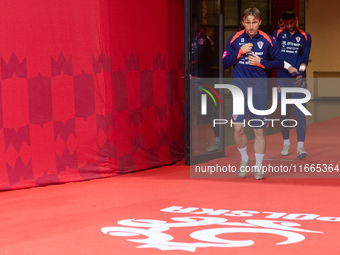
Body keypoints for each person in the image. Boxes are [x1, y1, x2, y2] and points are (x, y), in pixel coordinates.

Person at [222, 8, 297, 180]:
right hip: (239, 91)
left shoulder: (268, 40)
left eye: (254, 22)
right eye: (247, 22)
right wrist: (239, 52)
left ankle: (258, 167)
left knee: (259, 131)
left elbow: (279, 61)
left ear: (260, 22)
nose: (251, 26)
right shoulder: (234, 39)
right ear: (242, 22)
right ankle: (244, 159)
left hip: (259, 92)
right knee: (239, 129)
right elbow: (225, 62)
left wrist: (261, 62)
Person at [273, 9, 312, 159]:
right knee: (284, 113)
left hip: (299, 79)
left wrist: (300, 71)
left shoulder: (305, 36)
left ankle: (300, 147)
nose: (289, 26)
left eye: (291, 22)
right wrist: (287, 67)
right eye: (286, 23)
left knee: (299, 113)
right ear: (283, 22)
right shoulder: (277, 35)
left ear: (296, 19)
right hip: (282, 78)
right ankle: (286, 143)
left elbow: (305, 57)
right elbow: (275, 56)